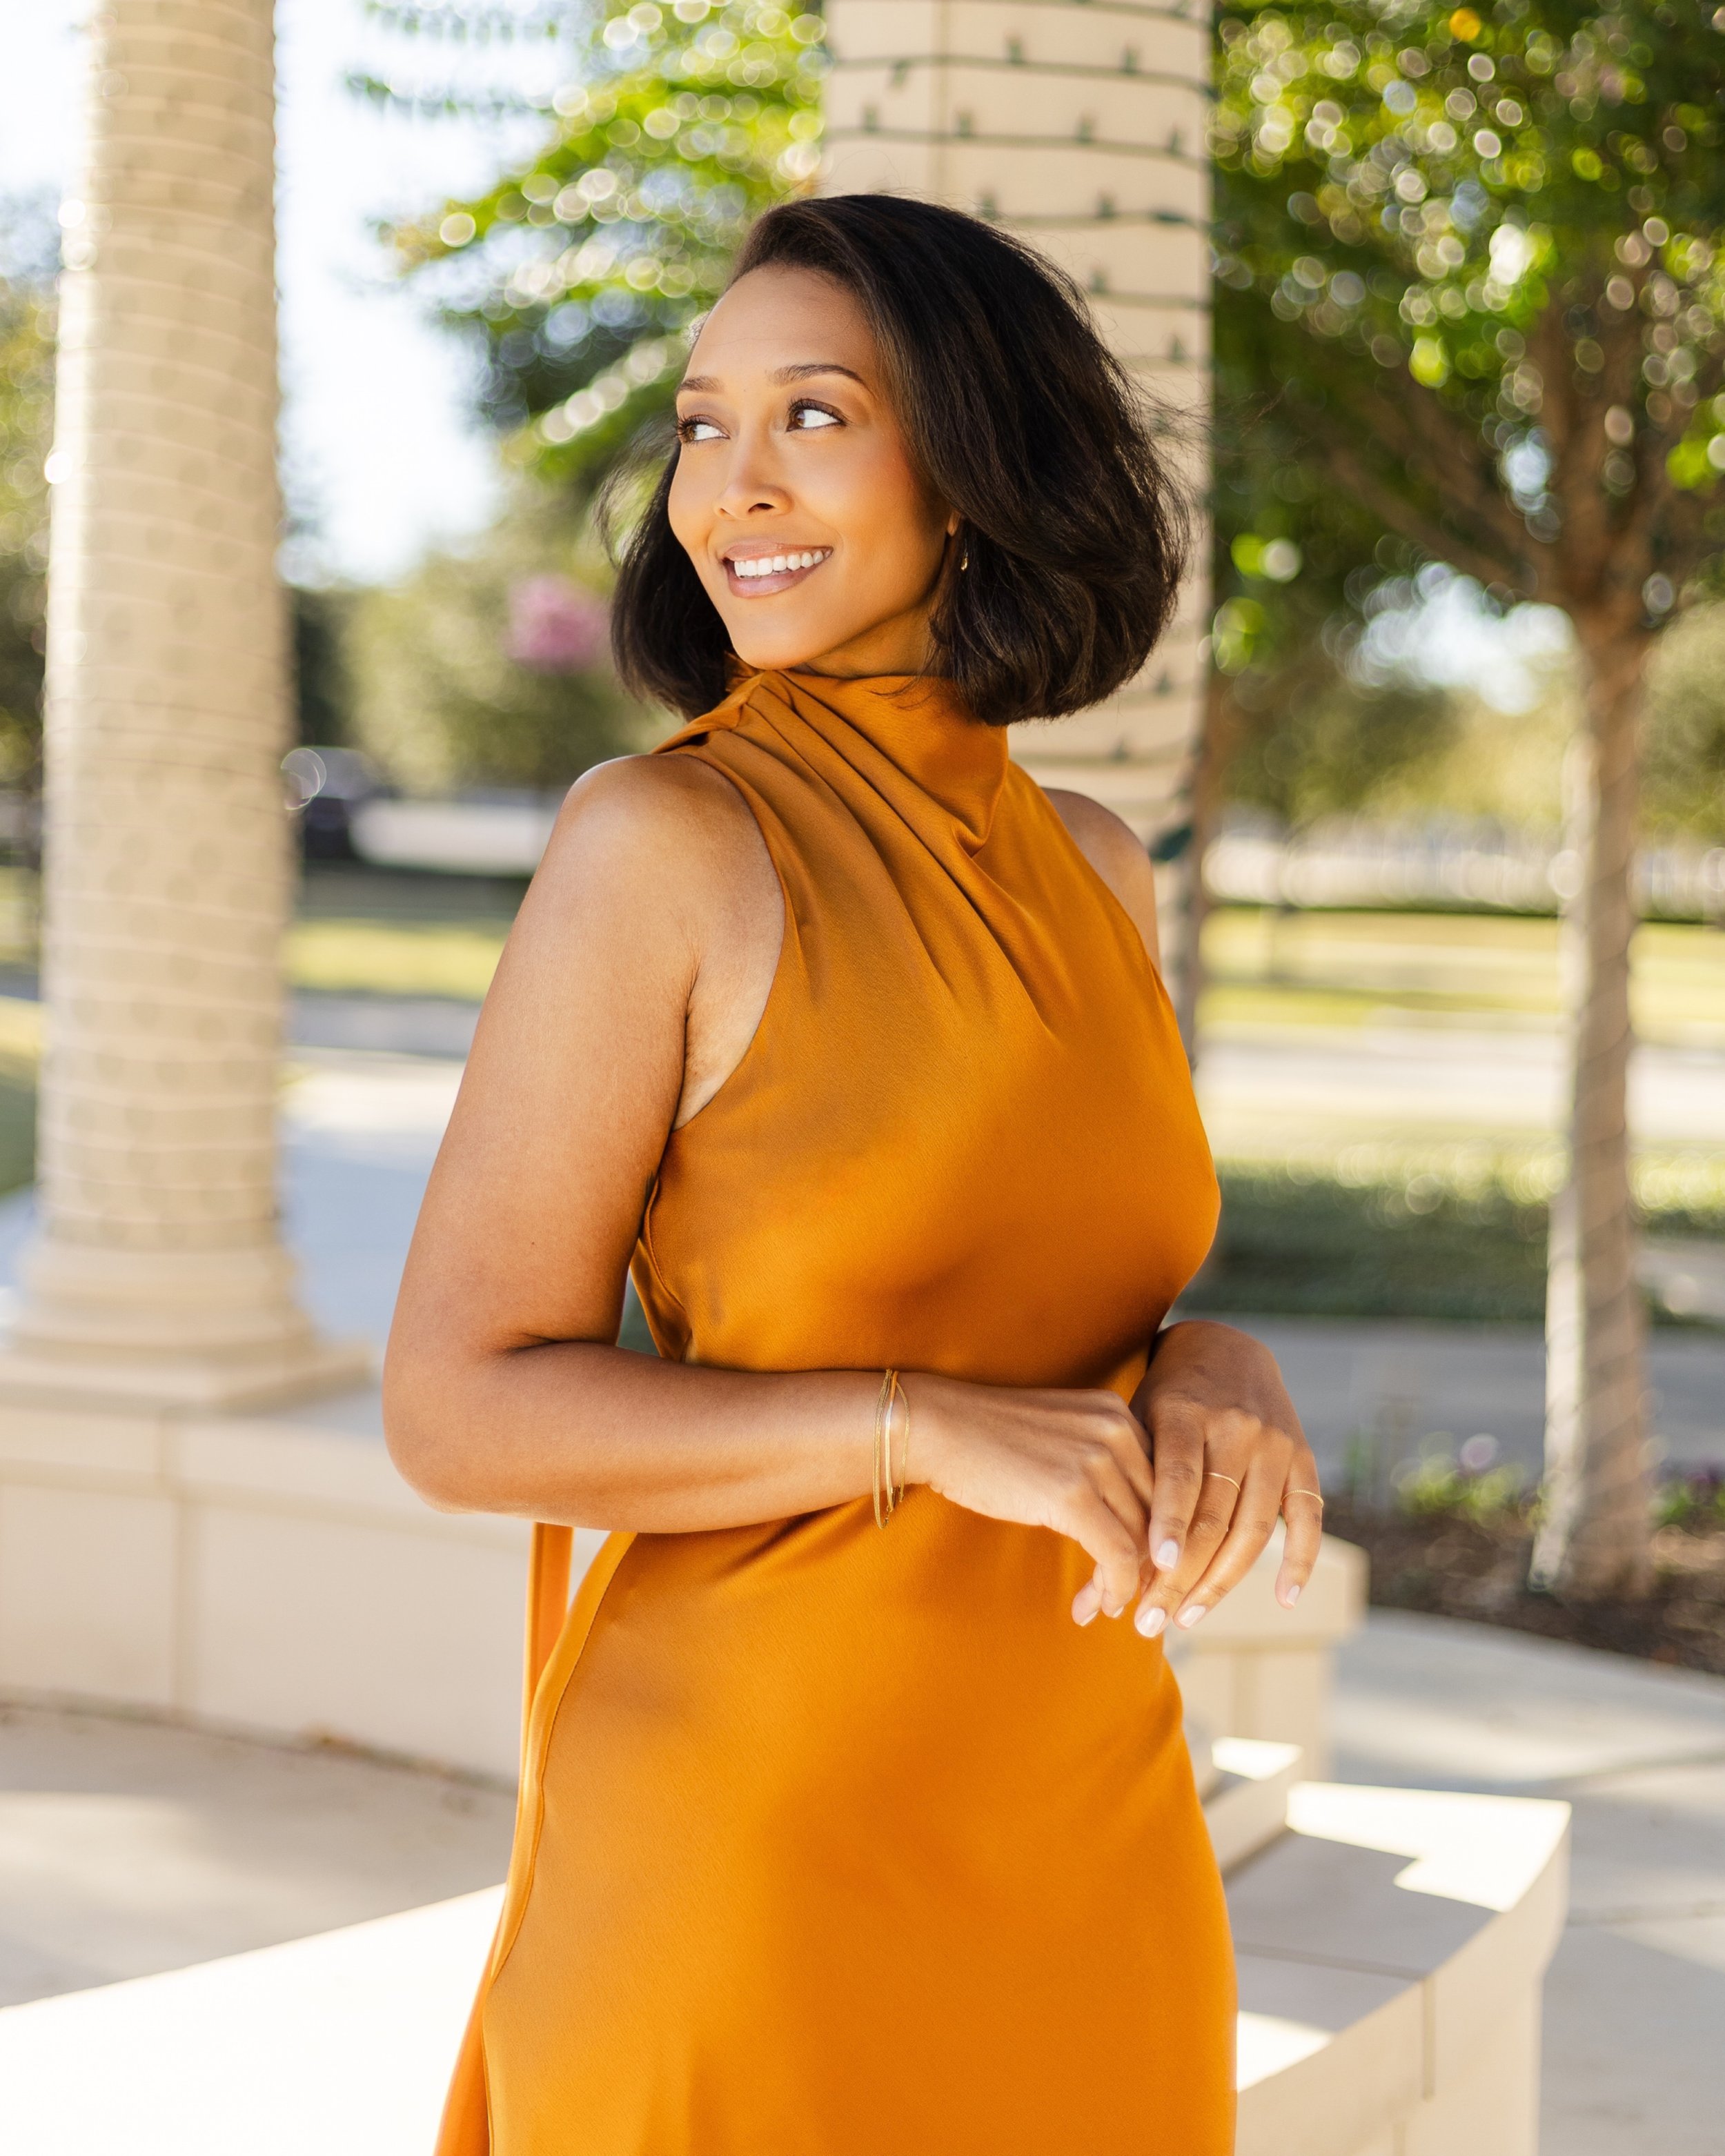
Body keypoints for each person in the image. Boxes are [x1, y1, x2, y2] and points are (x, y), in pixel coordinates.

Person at [385, 192, 1323, 2156]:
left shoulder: (1090, 867)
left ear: (972, 472)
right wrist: (920, 1431)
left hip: (1085, 1825)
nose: (731, 488)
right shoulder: (661, 846)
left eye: (811, 415)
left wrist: (1213, 1359)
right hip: (750, 1854)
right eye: (700, 427)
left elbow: (1072, 1297)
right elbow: (458, 1408)